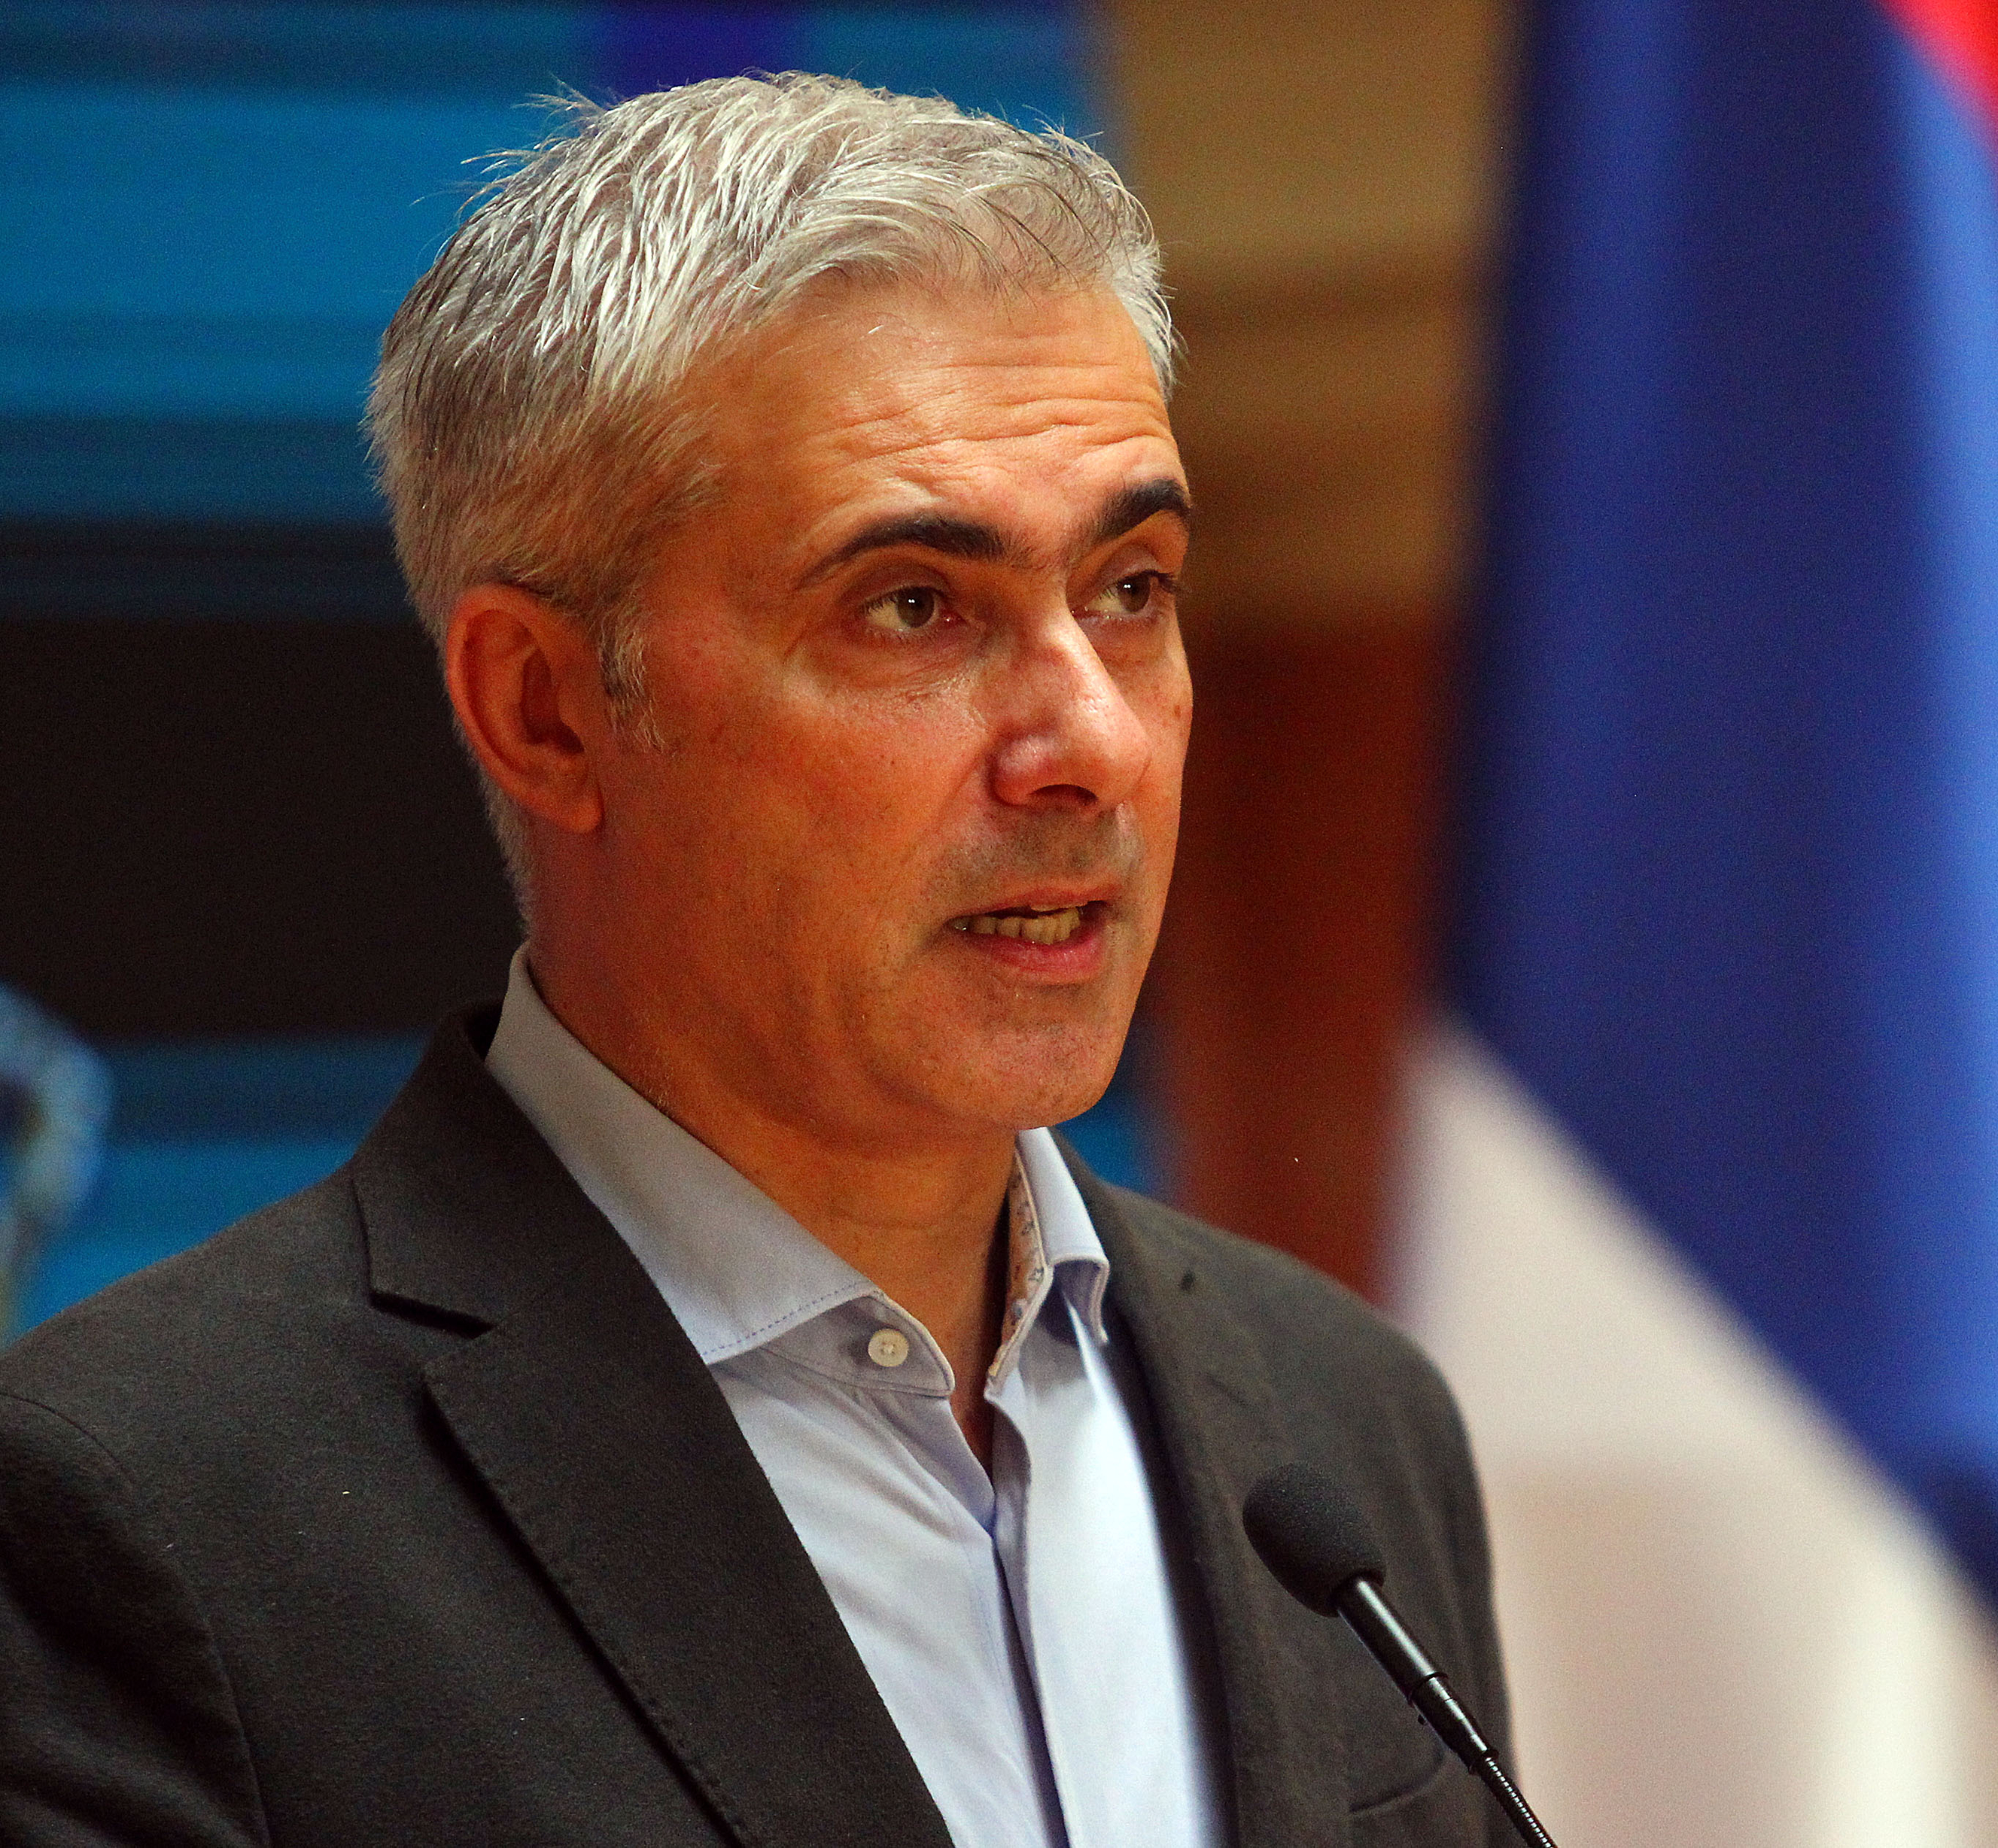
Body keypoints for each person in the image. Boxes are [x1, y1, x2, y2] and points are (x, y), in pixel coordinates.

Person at [0, 76, 1509, 1848]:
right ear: (546, 710)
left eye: (1133, 587)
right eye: (913, 608)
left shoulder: (1345, 1422)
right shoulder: (138, 1515)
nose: (1091, 740)